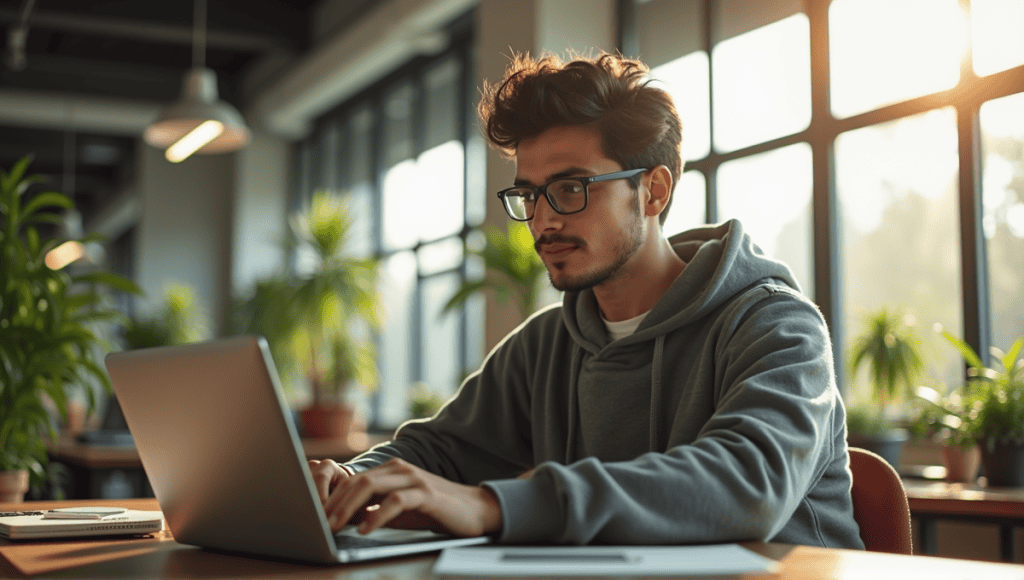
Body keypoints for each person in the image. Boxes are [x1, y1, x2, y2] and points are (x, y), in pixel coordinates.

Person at [308, 51, 863, 549]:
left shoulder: (776, 326)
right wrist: (351, 479)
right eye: (529, 194)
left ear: (654, 190)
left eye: (571, 188)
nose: (543, 219)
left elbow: (748, 483)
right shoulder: (545, 345)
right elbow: (438, 451)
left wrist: (494, 505)